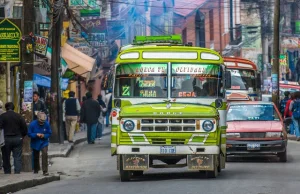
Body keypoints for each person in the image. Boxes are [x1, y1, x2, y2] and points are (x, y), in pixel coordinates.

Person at [0, 102, 27, 174]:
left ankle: (7, 172)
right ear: (13, 108)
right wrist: (22, 136)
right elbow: (24, 127)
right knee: (17, 157)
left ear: (6, 108)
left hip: (6, 139)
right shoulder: (19, 116)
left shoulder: (2, 116)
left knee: (6, 157)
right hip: (17, 138)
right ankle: (17, 172)